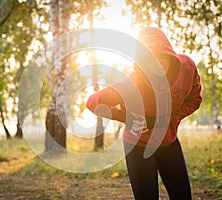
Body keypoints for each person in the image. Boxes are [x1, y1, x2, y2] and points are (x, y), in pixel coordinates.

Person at [86, 27, 202, 200]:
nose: (158, 63)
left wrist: (169, 119)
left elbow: (195, 100)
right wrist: (126, 117)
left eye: (161, 56)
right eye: (150, 59)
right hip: (138, 147)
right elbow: (92, 102)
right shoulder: (131, 85)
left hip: (169, 143)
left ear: (170, 53)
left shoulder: (187, 68)